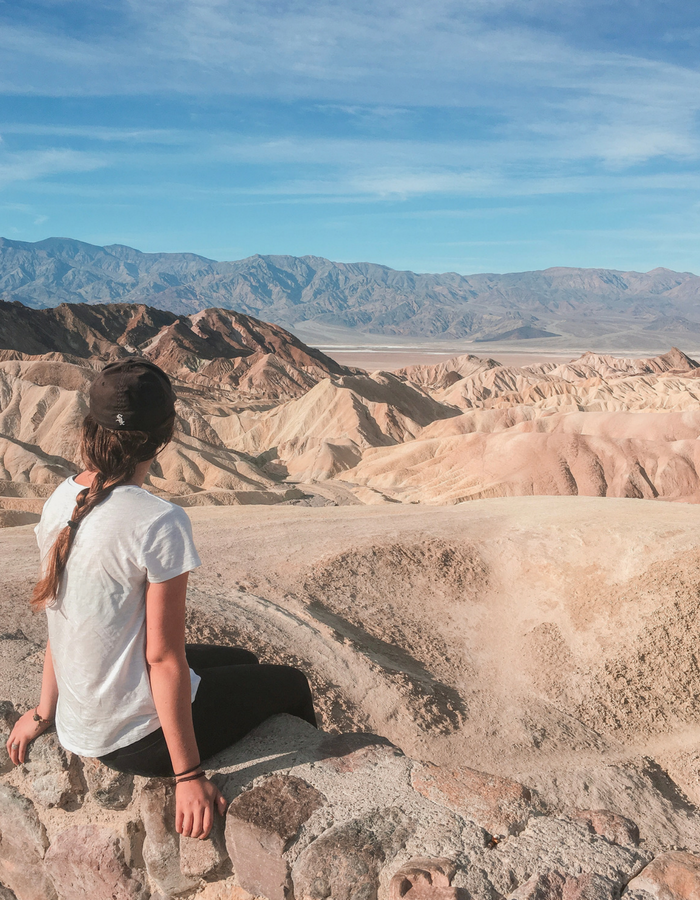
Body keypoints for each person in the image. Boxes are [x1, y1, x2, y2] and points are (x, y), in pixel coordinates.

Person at [6, 358, 317, 840]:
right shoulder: (158, 521)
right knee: (292, 684)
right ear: (165, 437)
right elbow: (163, 657)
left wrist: (44, 713)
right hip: (133, 739)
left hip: (81, 719)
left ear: (90, 428)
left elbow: (62, 620)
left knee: (242, 658)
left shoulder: (60, 500)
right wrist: (188, 777)